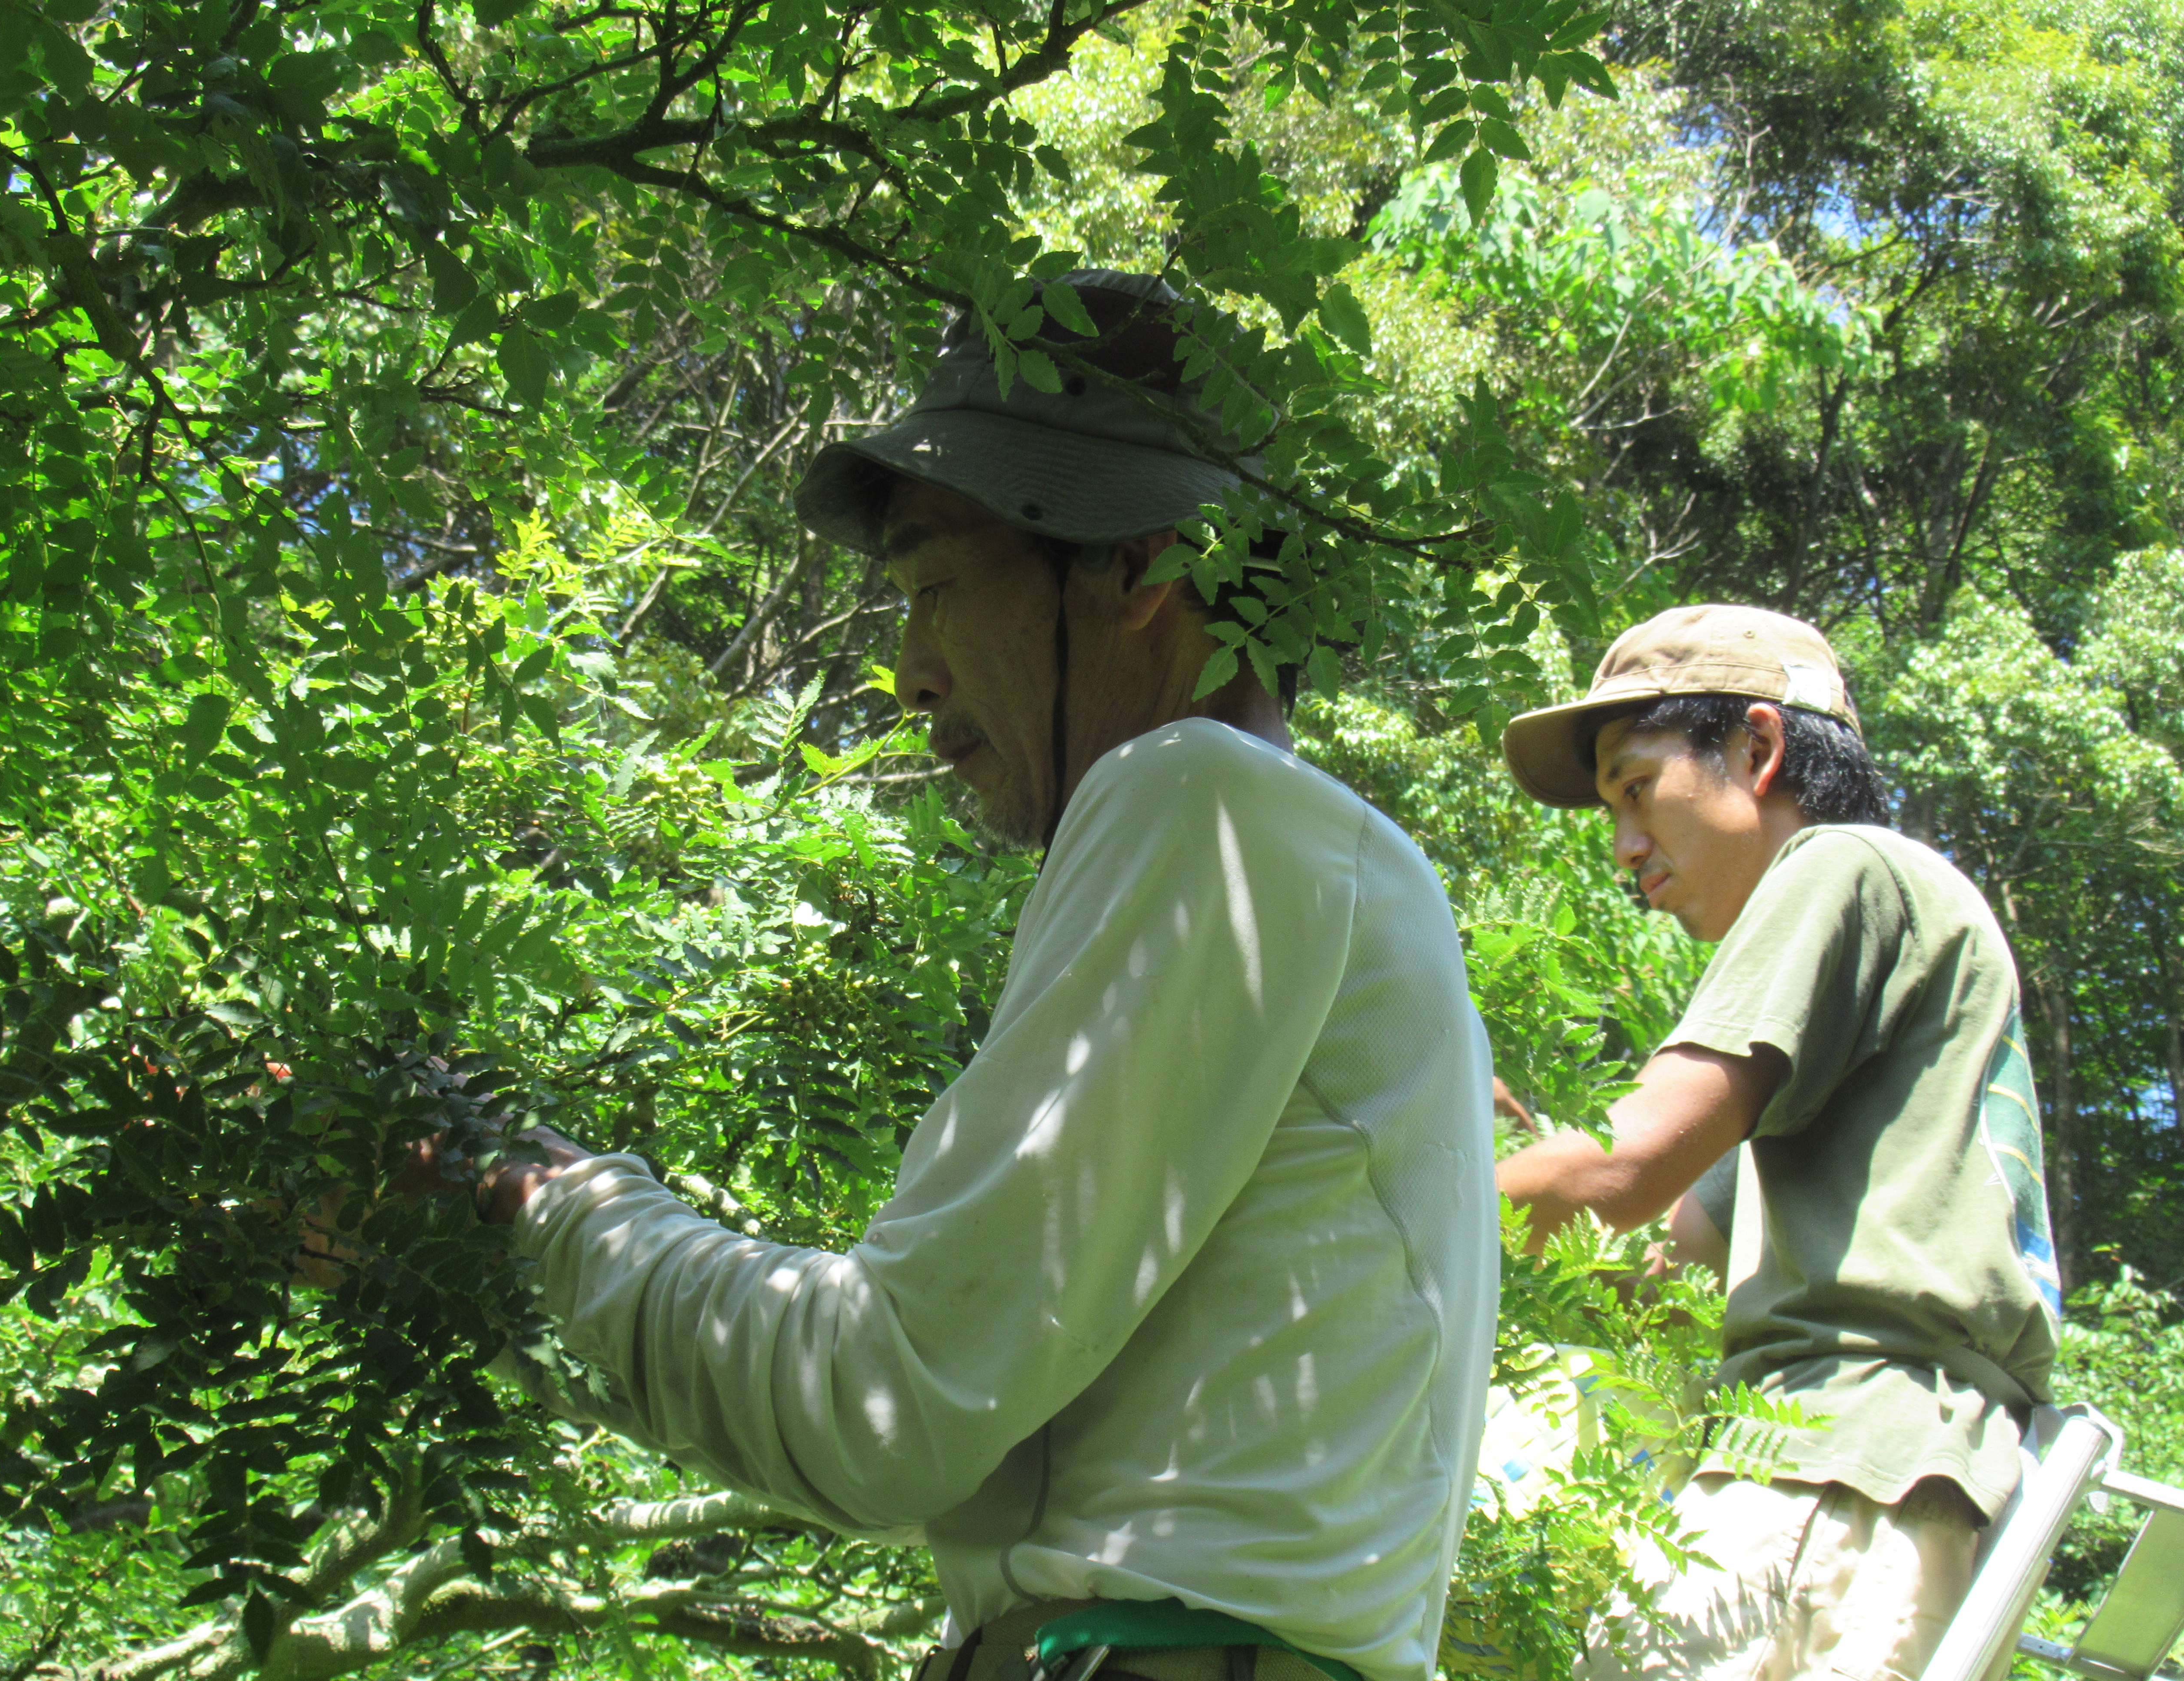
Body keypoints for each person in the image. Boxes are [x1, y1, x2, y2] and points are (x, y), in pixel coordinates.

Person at [432, 272, 1500, 1681]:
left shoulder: (1204, 800)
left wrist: (518, 1197)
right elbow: (956, 1440)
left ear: (1140, 570)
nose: (909, 672)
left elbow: (880, 1403)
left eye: (937, 583)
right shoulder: (1317, 862)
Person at [1492, 604, 2062, 1681]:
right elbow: (1665, 1259)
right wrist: (1515, 1138)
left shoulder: (1841, 868)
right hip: (1895, 1470)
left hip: (1831, 1473)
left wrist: (1394, 1186)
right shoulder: (1856, 991)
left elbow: (1621, 1170)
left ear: (1758, 748)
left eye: (1636, 787)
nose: (1623, 847)